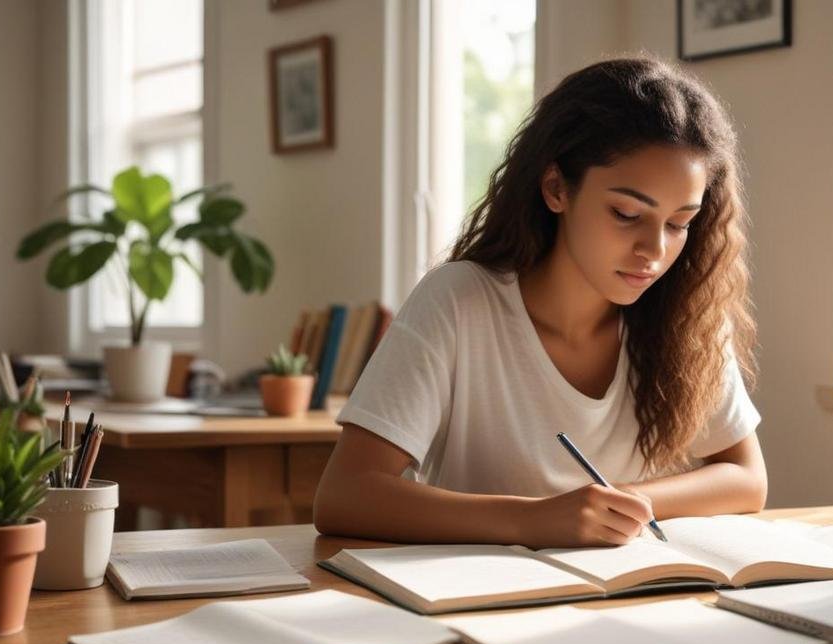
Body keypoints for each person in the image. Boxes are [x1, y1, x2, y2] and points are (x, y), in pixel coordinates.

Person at [313, 56, 766, 548]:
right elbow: (344, 495)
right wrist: (532, 520)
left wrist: (623, 502)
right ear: (556, 189)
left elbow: (747, 478)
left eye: (679, 223)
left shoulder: (685, 316)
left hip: (617, 588)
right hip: (480, 587)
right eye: (626, 213)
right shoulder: (459, 301)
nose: (655, 250)